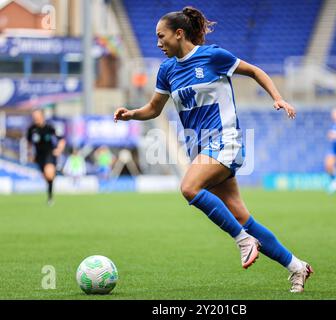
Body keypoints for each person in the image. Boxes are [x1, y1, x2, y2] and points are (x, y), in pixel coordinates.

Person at [114, 6, 313, 293]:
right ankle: (296, 266)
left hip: (225, 141)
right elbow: (154, 109)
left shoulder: (213, 57)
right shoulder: (167, 70)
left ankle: (243, 241)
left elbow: (254, 71)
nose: (158, 43)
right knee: (243, 218)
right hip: (202, 149)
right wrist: (131, 114)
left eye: (162, 36)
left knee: (189, 188)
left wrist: (278, 98)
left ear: (179, 34)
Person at [27, 109, 65, 205]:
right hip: (39, 156)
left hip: (50, 153)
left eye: (37, 116)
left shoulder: (50, 128)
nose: (35, 118)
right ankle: (50, 195)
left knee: (49, 173)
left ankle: (50, 197)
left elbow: (61, 139)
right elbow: (29, 143)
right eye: (34, 116)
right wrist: (30, 155)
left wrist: (59, 150)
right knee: (46, 177)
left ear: (42, 116)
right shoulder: (31, 129)